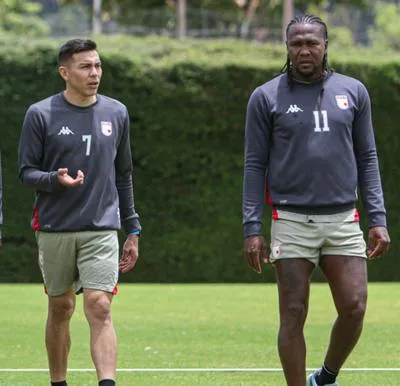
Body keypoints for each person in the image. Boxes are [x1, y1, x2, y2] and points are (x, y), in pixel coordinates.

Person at [242, 15, 390, 386]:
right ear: (287, 47)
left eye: (312, 43)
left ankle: (325, 377)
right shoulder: (266, 96)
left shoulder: (353, 91)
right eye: (296, 43)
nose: (304, 50)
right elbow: (255, 164)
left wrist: (378, 218)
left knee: (354, 307)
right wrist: (251, 227)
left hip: (343, 219)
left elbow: (367, 157)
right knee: (293, 313)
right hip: (290, 221)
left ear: (325, 46)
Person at [18, 39, 141, 386]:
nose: (95, 73)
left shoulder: (117, 112)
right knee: (61, 308)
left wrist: (133, 228)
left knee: (100, 306)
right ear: (64, 72)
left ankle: (107, 383)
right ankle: (58, 382)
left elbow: (124, 173)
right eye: (86, 66)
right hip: (55, 227)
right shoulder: (40, 114)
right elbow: (26, 172)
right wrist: (55, 180)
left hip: (102, 227)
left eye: (98, 65)